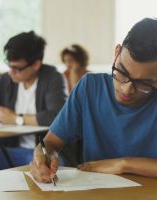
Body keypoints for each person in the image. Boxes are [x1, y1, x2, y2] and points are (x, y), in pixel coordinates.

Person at [30, 18, 157, 183]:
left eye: (143, 83)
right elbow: (50, 143)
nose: (126, 89)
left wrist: (124, 164)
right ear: (116, 53)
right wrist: (43, 155)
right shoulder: (90, 87)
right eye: (121, 72)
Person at [0, 31, 67, 175]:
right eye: (9, 66)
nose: (11, 72)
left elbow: (57, 117)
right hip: (12, 151)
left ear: (36, 64)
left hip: (42, 151)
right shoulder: (6, 80)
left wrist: (17, 119)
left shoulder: (53, 78)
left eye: (17, 68)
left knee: (48, 165)